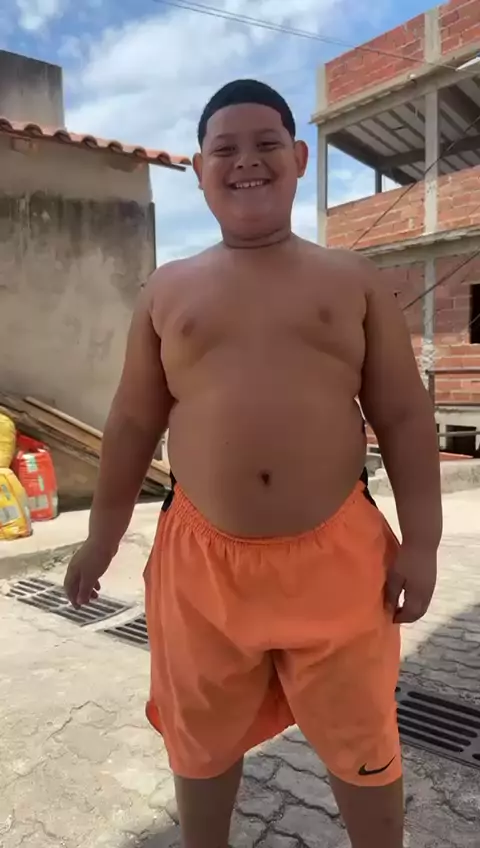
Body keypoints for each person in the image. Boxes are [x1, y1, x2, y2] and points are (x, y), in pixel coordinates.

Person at [64, 79, 442, 848]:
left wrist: (424, 542)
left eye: (266, 143)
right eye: (224, 149)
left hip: (339, 559)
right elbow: (133, 421)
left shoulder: (352, 280)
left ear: (299, 158)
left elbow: (404, 416)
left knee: (362, 735)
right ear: (199, 171)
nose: (246, 161)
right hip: (200, 565)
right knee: (200, 738)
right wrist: (100, 537)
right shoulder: (167, 290)